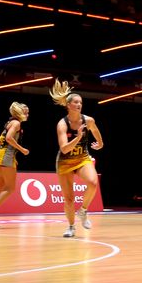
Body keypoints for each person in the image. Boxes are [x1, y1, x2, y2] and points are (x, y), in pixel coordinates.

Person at [50, 79, 104, 238]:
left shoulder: (88, 120)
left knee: (93, 183)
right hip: (65, 162)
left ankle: (83, 210)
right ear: (68, 105)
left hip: (82, 158)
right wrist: (78, 136)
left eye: (80, 102)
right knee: (69, 199)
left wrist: (100, 143)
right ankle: (71, 227)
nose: (79, 104)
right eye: (75, 102)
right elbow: (64, 148)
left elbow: (95, 130)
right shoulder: (62, 124)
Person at [0, 102, 30, 228]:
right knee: (10, 188)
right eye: (26, 111)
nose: (28, 113)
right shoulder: (17, 123)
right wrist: (22, 149)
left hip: (0, 154)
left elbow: (2, 138)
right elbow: (8, 138)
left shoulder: (10, 123)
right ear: (20, 112)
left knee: (1, 186)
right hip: (6, 155)